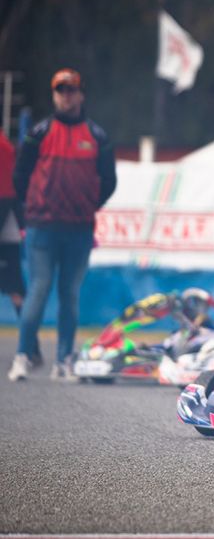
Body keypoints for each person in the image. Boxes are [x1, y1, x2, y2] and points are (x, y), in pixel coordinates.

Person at [8, 68, 116, 382]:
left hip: (79, 228)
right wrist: (27, 213)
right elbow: (19, 176)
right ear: (54, 95)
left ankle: (64, 361)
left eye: (71, 90)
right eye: (60, 90)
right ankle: (23, 356)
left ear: (81, 94)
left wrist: (88, 206)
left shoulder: (97, 136)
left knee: (69, 294)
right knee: (38, 290)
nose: (66, 95)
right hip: (42, 227)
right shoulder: (39, 132)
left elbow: (109, 181)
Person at [0, 132, 24, 313]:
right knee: (15, 286)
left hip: (7, 216)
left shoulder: (5, 147)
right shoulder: (6, 146)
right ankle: (29, 339)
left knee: (15, 286)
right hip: (8, 217)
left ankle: (29, 339)